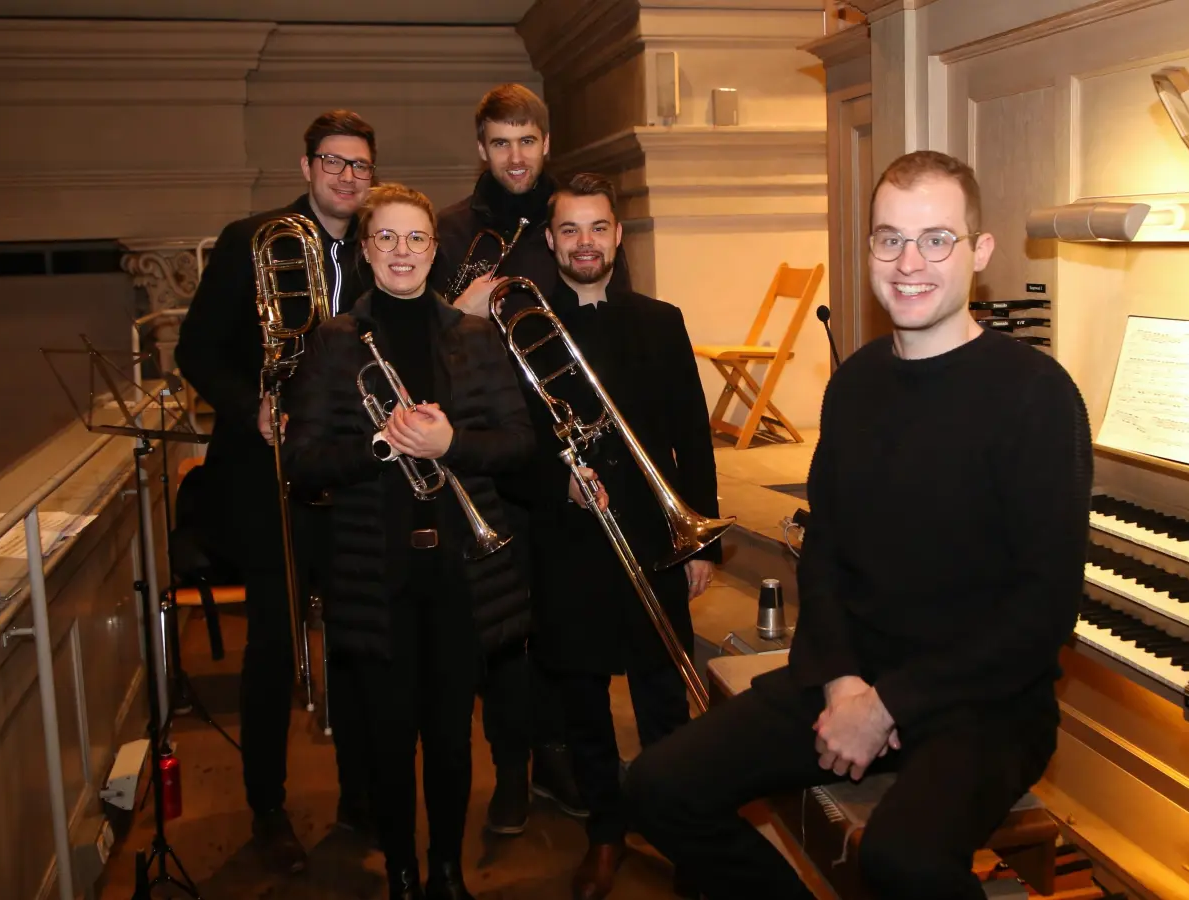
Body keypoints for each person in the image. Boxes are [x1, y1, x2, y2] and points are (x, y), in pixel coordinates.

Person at [625, 150, 1093, 900]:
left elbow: (1042, 614)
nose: (910, 262)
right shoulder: (855, 384)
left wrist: (888, 706)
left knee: (901, 862)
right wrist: (847, 686)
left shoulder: (1037, 396)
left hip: (984, 702)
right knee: (655, 787)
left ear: (980, 251)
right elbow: (828, 553)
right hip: (849, 675)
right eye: (889, 238)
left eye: (936, 238)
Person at [280, 181, 535, 900]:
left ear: (434, 248)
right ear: (365, 251)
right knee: (390, 739)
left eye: (415, 238)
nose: (401, 252)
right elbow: (301, 463)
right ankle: (400, 872)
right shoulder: (334, 342)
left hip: (460, 567)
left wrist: (452, 441)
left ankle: (448, 872)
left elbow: (517, 446)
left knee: (452, 738)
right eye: (385, 238)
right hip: (375, 571)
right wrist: (379, 447)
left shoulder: (477, 338)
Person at [502, 172, 720, 900]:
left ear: (619, 237)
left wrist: (702, 543)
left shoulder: (662, 321)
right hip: (569, 544)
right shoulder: (521, 333)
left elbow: (695, 436)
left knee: (665, 702)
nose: (584, 242)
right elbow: (507, 450)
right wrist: (552, 483)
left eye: (598, 227)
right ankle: (604, 831)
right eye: (569, 229)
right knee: (584, 704)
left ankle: (674, 825)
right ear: (550, 239)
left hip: (655, 535)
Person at [174, 109, 377, 871]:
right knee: (271, 648)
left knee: (357, 641)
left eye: (360, 164)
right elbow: (197, 349)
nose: (346, 176)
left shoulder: (379, 247)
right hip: (268, 479)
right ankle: (266, 807)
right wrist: (248, 404)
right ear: (306, 166)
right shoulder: (249, 241)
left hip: (352, 477)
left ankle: (360, 796)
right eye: (334, 162)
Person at [431, 82, 597, 835]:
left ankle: (559, 756)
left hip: (559, 445)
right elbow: (417, 339)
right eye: (501, 142)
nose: (516, 155)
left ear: (546, 143)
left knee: (560, 615)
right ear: (481, 149)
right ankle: (508, 771)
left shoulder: (570, 216)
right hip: (488, 452)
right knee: (500, 625)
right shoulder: (453, 228)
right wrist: (453, 314)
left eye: (527, 140)